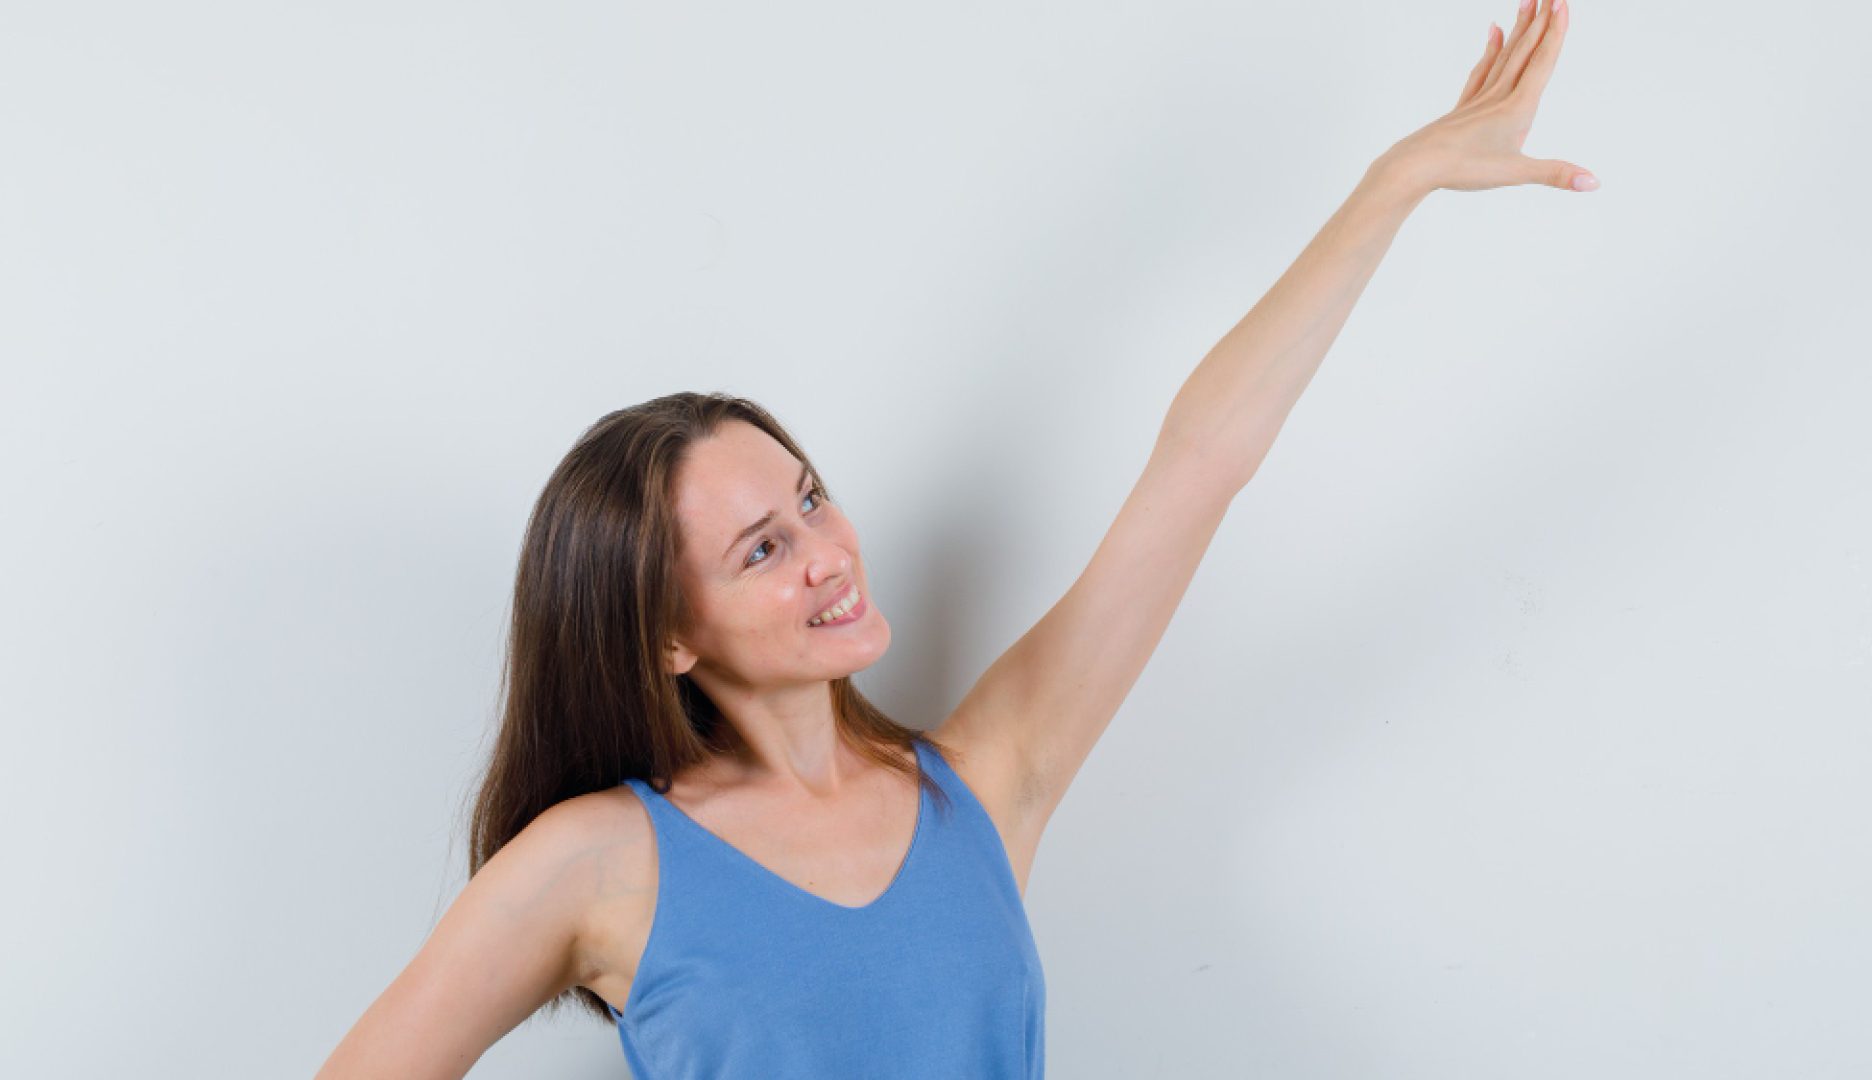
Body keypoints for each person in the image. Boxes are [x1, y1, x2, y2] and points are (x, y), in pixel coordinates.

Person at [314, 2, 1592, 1076]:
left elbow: (1198, 468)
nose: (825, 551)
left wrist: (1395, 185)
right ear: (664, 638)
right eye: (759, 549)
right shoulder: (595, 861)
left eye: (810, 499)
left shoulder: (982, 783)